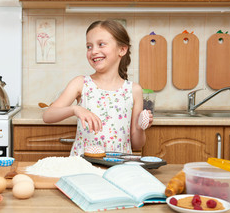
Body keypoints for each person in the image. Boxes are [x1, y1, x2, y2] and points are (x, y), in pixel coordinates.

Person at [43, 20, 153, 156]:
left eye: (101, 44)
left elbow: (137, 144)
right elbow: (48, 116)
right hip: (84, 165)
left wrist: (140, 127)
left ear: (122, 49)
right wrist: (75, 109)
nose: (94, 51)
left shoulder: (133, 90)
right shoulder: (80, 83)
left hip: (118, 167)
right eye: (89, 46)